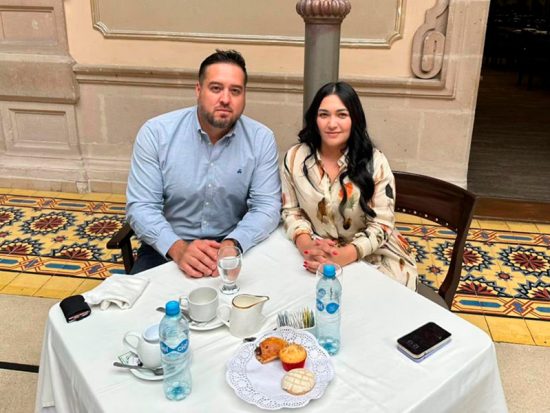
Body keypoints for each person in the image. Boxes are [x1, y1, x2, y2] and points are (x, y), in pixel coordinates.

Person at [126, 49, 281, 276]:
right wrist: (178, 249)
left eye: (235, 91)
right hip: (168, 246)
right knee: (140, 300)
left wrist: (233, 243)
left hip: (233, 243)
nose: (225, 99)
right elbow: (141, 206)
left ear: (244, 95)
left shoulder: (261, 139)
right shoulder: (156, 133)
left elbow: (267, 207)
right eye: (216, 88)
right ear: (198, 90)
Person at [281, 81, 417, 289]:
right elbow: (291, 211)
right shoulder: (294, 158)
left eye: (342, 115)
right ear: (314, 119)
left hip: (375, 254)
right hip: (318, 249)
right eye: (324, 115)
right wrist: (306, 245)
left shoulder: (376, 162)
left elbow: (382, 224)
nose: (332, 124)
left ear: (354, 119)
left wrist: (342, 256)